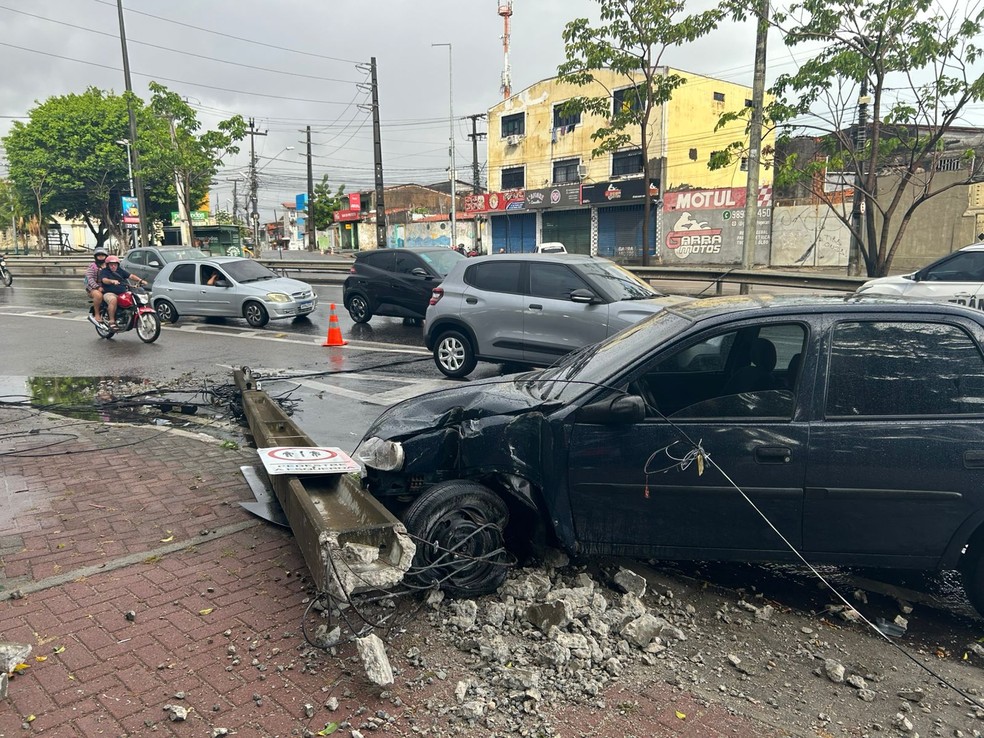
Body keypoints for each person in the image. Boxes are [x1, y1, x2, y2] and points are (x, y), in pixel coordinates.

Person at [99, 255, 147, 329]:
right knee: (113, 300)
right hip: (110, 293)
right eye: (111, 265)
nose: (113, 266)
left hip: (123, 292)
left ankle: (128, 316)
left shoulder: (120, 270)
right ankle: (111, 321)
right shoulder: (104, 271)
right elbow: (104, 280)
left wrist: (140, 280)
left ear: (118, 265)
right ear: (108, 265)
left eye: (115, 265)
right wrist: (112, 281)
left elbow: (131, 276)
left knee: (133, 297)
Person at [83, 247, 109, 321]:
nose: (101, 257)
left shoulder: (109, 266)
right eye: (99, 255)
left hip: (107, 287)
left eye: (102, 255)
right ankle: (97, 314)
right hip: (93, 288)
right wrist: (97, 287)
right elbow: (90, 279)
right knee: (98, 295)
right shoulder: (92, 266)